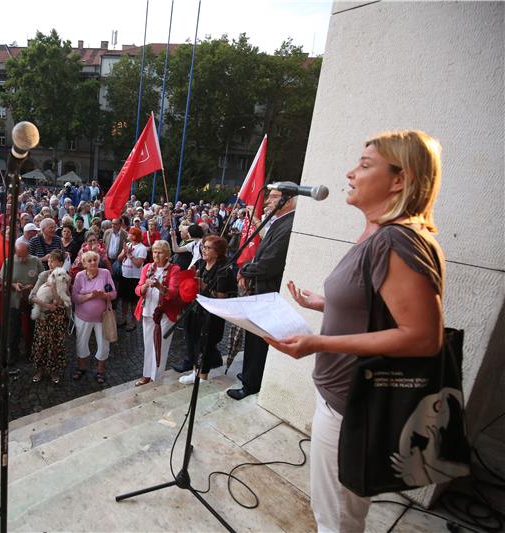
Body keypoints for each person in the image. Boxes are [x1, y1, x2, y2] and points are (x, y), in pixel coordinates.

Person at [267, 131, 447, 532]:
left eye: (365, 165)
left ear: (400, 179)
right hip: (340, 400)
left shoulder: (398, 240)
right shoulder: (380, 234)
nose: (350, 173)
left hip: (352, 407)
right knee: (334, 512)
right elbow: (377, 306)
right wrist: (325, 304)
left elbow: (422, 336)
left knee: (337, 522)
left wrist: (318, 343)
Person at [226, 190, 296, 401]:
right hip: (263, 290)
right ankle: (249, 374)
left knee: (258, 341)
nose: (267, 201)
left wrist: (245, 270)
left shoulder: (289, 224)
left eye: (274, 196)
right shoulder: (280, 222)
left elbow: (269, 263)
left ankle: (251, 383)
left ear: (289, 200)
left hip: (267, 292)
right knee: (254, 339)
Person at [179, 236, 237, 385]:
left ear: (217, 252)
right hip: (195, 310)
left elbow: (221, 298)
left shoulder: (223, 271)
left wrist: (203, 285)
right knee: (192, 341)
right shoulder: (201, 264)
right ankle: (194, 372)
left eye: (207, 248)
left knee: (205, 345)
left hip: (210, 317)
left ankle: (202, 376)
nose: (203, 250)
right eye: (203, 247)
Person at [134, 241, 183, 386]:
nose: (156, 254)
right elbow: (137, 290)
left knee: (161, 346)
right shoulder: (147, 268)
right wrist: (144, 286)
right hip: (148, 311)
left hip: (165, 313)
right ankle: (146, 374)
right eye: (154, 251)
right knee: (148, 344)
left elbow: (173, 293)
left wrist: (159, 286)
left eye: (160, 252)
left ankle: (157, 377)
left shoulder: (174, 269)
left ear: (167, 254)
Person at [71, 250, 117, 384]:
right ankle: (81, 367)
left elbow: (113, 293)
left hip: (103, 317)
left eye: (95, 260)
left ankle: (100, 370)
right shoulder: (80, 276)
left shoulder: (105, 273)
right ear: (84, 263)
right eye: (89, 261)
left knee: (104, 344)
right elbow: (74, 297)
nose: (93, 262)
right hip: (83, 316)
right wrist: (90, 296)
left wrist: (104, 296)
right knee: (81, 342)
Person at [29, 249, 70, 383]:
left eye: (55, 261)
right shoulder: (43, 275)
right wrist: (47, 306)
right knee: (41, 343)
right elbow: (32, 297)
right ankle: (39, 370)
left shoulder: (64, 276)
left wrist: (53, 288)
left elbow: (61, 301)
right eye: (50, 260)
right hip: (43, 315)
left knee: (55, 344)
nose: (51, 263)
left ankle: (53, 371)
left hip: (57, 318)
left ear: (61, 263)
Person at [0, 241, 42, 368]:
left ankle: (31, 351)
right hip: (14, 300)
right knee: (13, 329)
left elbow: (43, 279)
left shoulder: (36, 261)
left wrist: (33, 286)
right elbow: (3, 281)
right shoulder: (8, 262)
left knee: (32, 327)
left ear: (28, 252)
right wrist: (13, 285)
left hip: (32, 300)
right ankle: (13, 353)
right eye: (19, 256)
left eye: (24, 256)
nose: (22, 259)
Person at [117, 227, 147, 331]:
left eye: (130, 234)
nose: (128, 235)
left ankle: (133, 322)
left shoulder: (141, 248)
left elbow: (138, 264)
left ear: (135, 236)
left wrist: (130, 255)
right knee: (124, 300)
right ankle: (124, 318)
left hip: (135, 278)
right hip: (125, 276)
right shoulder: (128, 245)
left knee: (133, 302)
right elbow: (119, 259)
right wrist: (124, 252)